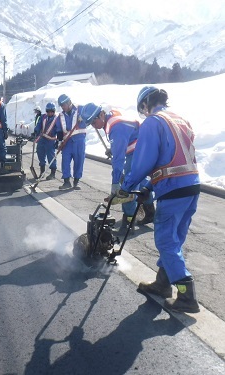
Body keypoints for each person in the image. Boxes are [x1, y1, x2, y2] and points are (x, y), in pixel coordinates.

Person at [116, 86, 200, 313]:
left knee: (165, 240)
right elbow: (173, 160)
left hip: (173, 189)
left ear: (145, 104)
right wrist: (148, 187)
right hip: (191, 187)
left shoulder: (153, 122)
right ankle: (163, 283)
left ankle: (186, 295)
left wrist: (126, 187)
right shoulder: (181, 120)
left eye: (142, 109)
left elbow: (144, 161)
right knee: (175, 238)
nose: (143, 113)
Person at [81, 103, 155, 231]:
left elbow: (118, 160)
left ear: (101, 114)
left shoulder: (115, 127)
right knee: (141, 182)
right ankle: (150, 212)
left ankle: (128, 223)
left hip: (139, 151)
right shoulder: (111, 118)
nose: (94, 126)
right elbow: (124, 138)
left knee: (127, 185)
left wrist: (115, 183)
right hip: (141, 148)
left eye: (94, 121)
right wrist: (114, 148)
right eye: (91, 124)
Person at [56, 94, 86, 190]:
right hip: (67, 142)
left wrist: (84, 118)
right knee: (65, 161)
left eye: (64, 105)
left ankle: (76, 182)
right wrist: (59, 140)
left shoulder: (80, 109)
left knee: (79, 161)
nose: (63, 108)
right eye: (61, 106)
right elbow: (59, 129)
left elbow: (90, 115)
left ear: (69, 102)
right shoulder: (60, 116)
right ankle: (66, 182)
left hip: (79, 141)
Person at [33, 102, 61, 180]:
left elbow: (59, 129)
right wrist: (36, 131)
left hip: (50, 140)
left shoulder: (57, 119)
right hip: (42, 138)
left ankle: (52, 173)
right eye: (48, 111)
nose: (50, 113)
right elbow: (39, 125)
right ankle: (42, 172)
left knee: (51, 156)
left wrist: (58, 140)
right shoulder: (43, 117)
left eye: (52, 111)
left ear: (54, 111)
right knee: (40, 153)